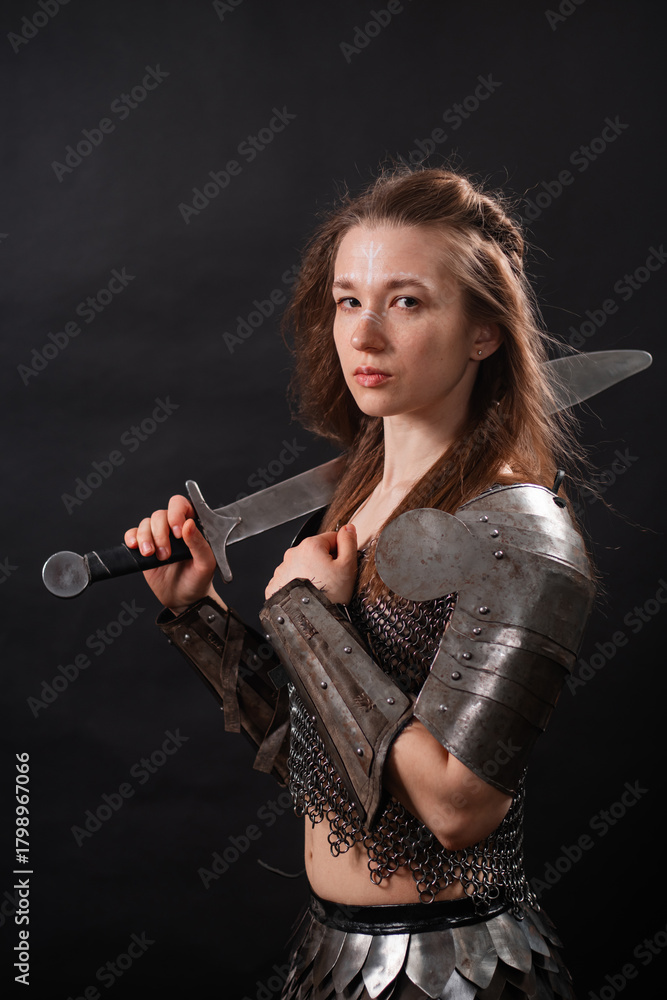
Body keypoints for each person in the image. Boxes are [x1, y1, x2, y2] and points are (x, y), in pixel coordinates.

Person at [124, 166, 595, 999]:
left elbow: (455, 808)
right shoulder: (349, 504)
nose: (364, 337)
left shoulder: (517, 531)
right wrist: (199, 615)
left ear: (484, 332)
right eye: (348, 300)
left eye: (405, 301)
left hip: (459, 972)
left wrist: (305, 617)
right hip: (331, 960)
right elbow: (335, 767)